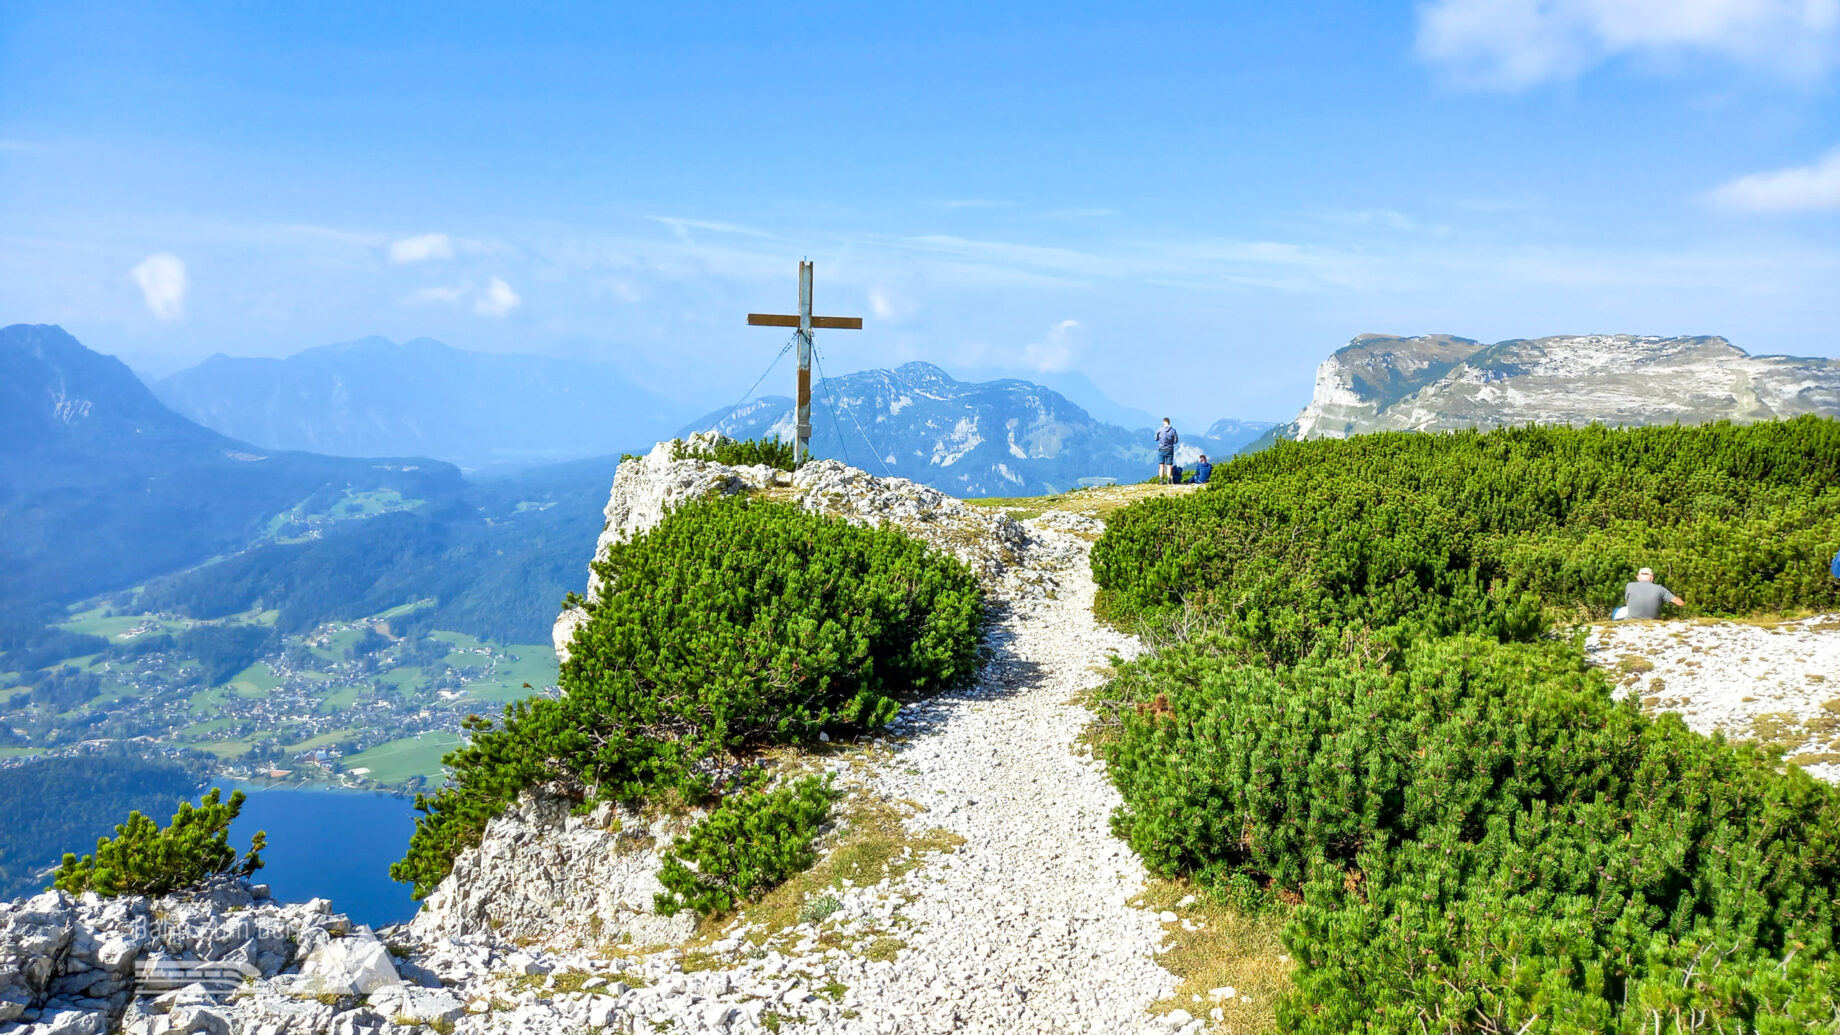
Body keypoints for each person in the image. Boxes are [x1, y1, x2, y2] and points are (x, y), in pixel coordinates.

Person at [1618, 567, 1683, 620]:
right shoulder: (1660, 589)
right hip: (1652, 619)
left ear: (1638, 577)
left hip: (1632, 619)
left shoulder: (1630, 585)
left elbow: (1627, 603)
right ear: (1652, 578)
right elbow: (1679, 603)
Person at [1153, 418, 1178, 484]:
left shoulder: (1160, 429)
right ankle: (1169, 479)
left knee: (1161, 465)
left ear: (1163, 422)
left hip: (1162, 449)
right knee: (1169, 465)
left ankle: (1161, 480)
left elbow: (1155, 438)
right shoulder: (1173, 430)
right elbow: (1176, 441)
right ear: (1169, 422)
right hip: (1170, 449)